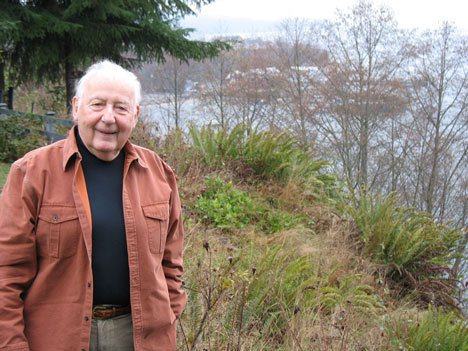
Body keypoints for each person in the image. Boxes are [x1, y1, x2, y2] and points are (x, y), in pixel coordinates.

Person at [0, 60, 186, 351]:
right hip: (56, 337)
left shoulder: (160, 174)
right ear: (76, 107)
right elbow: (6, 274)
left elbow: (172, 264)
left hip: (141, 338)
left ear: (135, 115)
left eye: (121, 108)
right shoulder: (31, 173)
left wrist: (169, 315)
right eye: (97, 104)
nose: (108, 118)